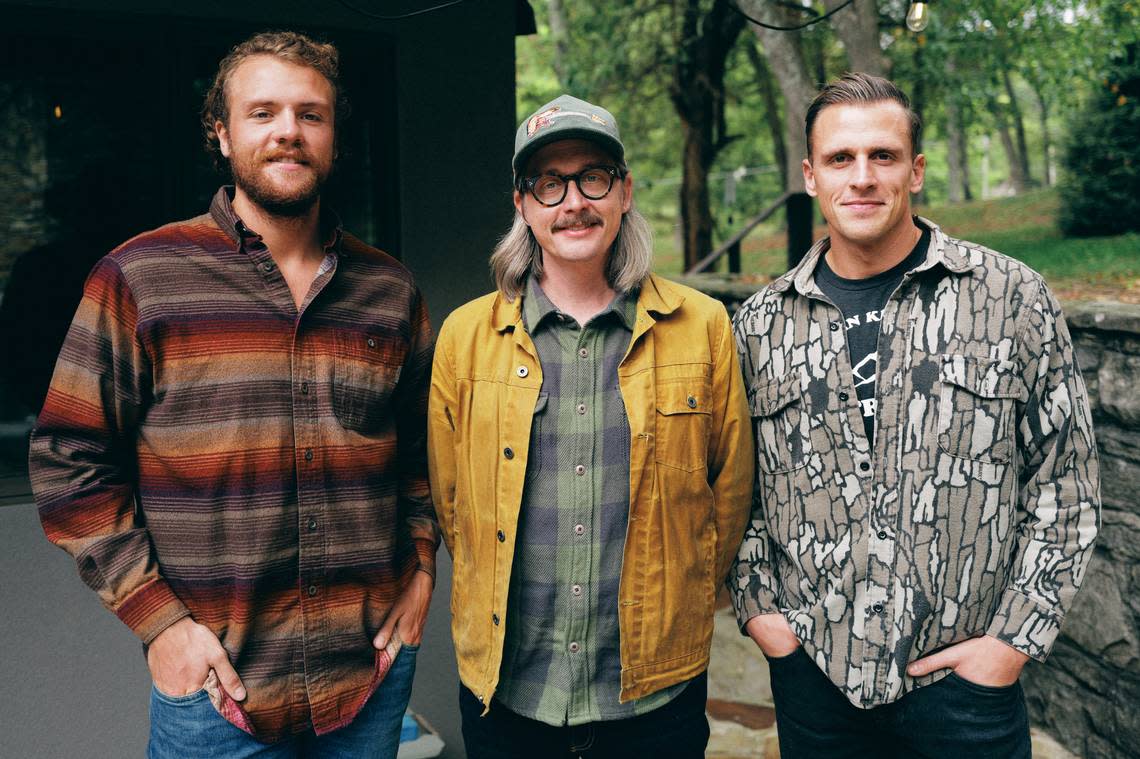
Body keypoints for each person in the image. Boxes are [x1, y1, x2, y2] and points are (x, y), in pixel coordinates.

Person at [29, 31, 437, 758]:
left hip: (367, 680)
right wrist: (159, 622)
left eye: (311, 114)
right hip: (217, 693)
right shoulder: (142, 278)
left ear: (335, 138)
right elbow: (69, 459)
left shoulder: (390, 291)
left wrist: (423, 564)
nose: (289, 130)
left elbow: (422, 452)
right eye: (263, 112)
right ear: (221, 134)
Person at [731, 71, 1101, 758]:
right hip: (818, 684)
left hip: (965, 692)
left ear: (917, 169)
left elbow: (1064, 485)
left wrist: (1010, 644)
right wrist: (764, 615)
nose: (862, 176)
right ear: (811, 176)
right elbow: (736, 492)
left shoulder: (1009, 297)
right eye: (841, 158)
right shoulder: (758, 326)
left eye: (884, 155)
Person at [427, 94, 754, 758]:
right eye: (550, 182)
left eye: (593, 177)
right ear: (522, 203)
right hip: (510, 692)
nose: (573, 201)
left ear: (625, 191)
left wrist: (676, 596)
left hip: (654, 696)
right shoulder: (466, 337)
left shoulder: (703, 327)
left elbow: (729, 497)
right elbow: (452, 505)